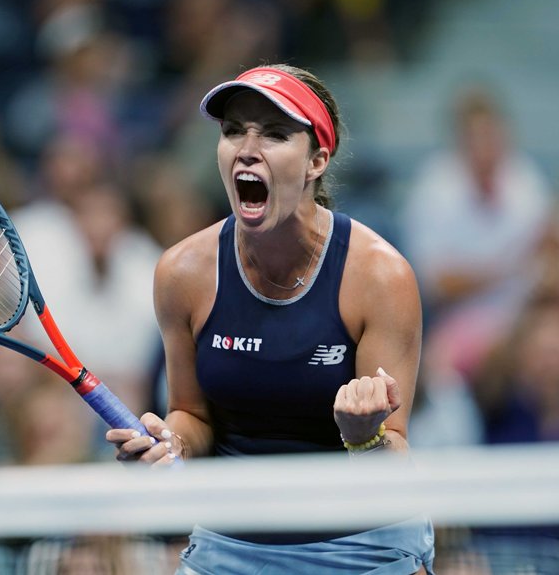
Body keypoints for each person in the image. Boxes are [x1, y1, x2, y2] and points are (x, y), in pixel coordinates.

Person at [106, 64, 435, 574]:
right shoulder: (183, 272)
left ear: (316, 161)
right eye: (234, 130)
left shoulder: (380, 277)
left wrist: (363, 435)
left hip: (362, 548)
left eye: (276, 134)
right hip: (230, 548)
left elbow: (391, 464)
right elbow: (192, 417)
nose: (247, 147)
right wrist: (167, 446)